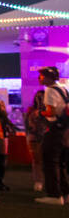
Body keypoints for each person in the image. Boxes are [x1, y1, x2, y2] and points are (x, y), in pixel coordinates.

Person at [36, 66, 69, 205]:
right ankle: (65, 193)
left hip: (54, 130)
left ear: (49, 78)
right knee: (60, 162)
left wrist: (39, 113)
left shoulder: (49, 90)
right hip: (64, 130)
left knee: (49, 161)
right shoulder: (63, 88)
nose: (40, 78)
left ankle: (54, 195)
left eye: (42, 76)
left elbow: (52, 112)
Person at [26, 93, 48, 193]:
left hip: (45, 136)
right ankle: (38, 181)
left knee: (46, 160)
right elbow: (27, 123)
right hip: (34, 136)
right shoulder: (31, 110)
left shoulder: (48, 110)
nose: (40, 99)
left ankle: (46, 181)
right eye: (38, 97)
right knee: (37, 160)